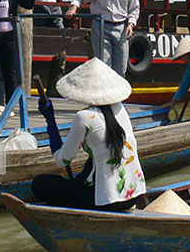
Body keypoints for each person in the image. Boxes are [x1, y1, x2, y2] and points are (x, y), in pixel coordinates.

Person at [32, 58, 147, 211]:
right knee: (85, 171)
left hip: (107, 201)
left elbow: (62, 160)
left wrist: (50, 120)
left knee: (40, 183)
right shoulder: (121, 109)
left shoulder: (85, 117)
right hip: (134, 195)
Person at [65, 0, 139, 77]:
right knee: (104, 67)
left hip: (121, 28)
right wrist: (73, 8)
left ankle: (118, 96)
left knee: (121, 69)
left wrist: (131, 24)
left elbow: (134, 9)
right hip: (101, 26)